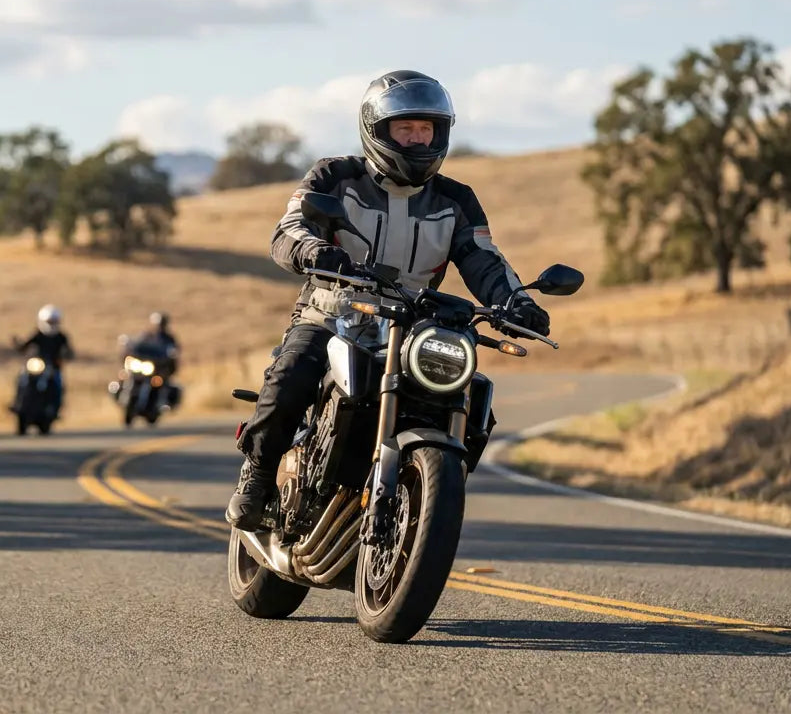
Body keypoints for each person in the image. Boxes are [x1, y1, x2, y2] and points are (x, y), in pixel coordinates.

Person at [224, 69, 551, 531]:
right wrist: (316, 251)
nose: (418, 140)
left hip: (413, 328)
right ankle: (258, 476)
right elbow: (290, 230)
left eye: (427, 129)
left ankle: (428, 496)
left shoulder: (456, 200)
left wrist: (516, 301)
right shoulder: (335, 177)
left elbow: (482, 258)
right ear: (378, 132)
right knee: (293, 373)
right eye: (406, 129)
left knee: (474, 400)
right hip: (333, 313)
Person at [12, 305, 75, 414]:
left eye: (53, 322)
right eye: (49, 322)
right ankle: (18, 402)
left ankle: (55, 407)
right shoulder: (38, 334)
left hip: (53, 367)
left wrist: (65, 356)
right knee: (22, 378)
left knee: (58, 384)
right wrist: (18, 345)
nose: (51, 325)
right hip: (37, 365)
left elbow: (69, 352)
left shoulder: (61, 337)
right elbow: (25, 346)